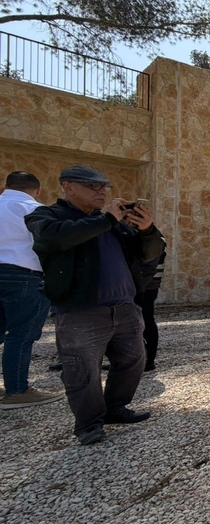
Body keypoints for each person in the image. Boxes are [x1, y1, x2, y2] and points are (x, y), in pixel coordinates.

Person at [25, 166, 166, 445]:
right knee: (82, 369)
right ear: (68, 187)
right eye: (92, 187)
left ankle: (115, 408)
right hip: (81, 310)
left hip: (125, 307)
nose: (101, 192)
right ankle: (89, 424)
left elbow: (150, 252)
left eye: (104, 187)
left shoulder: (113, 224)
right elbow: (59, 237)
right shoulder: (47, 217)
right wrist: (109, 220)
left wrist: (148, 230)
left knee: (133, 360)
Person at [0, 172, 62, 409]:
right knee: (21, 335)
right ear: (37, 190)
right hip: (23, 274)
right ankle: (17, 391)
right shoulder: (35, 210)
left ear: (7, 186)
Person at [137, 241, 166, 371]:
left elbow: (149, 266)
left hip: (146, 287)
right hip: (145, 285)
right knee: (142, 320)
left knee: (146, 320)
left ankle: (148, 361)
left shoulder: (153, 238)